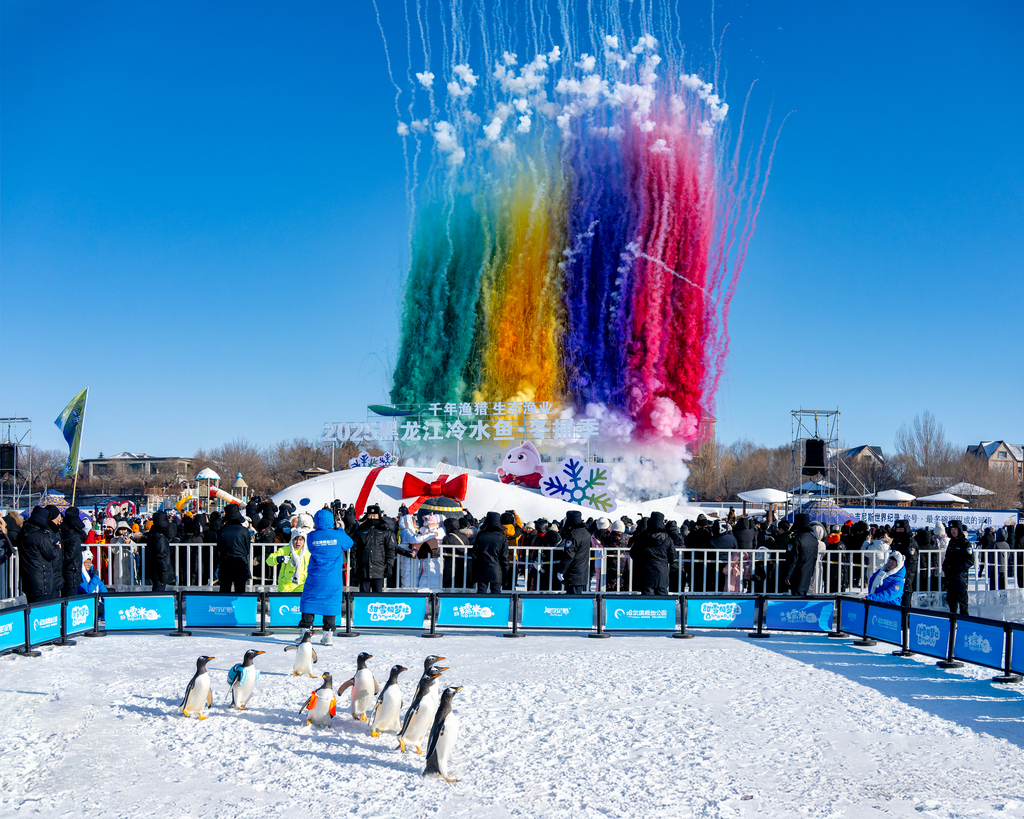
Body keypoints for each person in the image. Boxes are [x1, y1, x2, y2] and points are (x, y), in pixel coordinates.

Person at [299, 507, 353, 645]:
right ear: (332, 521)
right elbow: (349, 544)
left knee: (309, 601)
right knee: (330, 603)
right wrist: (340, 529)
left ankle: (305, 634)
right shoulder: (338, 535)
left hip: (315, 577)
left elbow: (312, 548)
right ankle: (327, 636)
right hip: (333, 578)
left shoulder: (311, 536)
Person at [351, 504, 397, 593]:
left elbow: (390, 549)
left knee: (377, 597)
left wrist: (389, 565)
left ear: (379, 516)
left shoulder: (385, 532)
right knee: (364, 597)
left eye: (374, 516)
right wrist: (354, 565)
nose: (372, 518)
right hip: (364, 569)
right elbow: (354, 550)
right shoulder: (360, 531)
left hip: (379, 570)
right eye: (370, 515)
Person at [628, 511, 675, 595]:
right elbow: (673, 556)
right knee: (663, 603)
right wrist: (664, 562)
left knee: (647, 603)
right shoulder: (667, 539)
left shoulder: (642, 537)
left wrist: (641, 562)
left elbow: (633, 553)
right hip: (661, 574)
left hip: (645, 573)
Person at [216, 504, 252, 594]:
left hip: (226, 562)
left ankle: (224, 607)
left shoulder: (221, 531)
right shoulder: (244, 531)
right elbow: (247, 548)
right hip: (240, 562)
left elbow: (219, 548)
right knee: (240, 590)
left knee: (224, 589)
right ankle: (239, 608)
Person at [942, 520, 974, 616]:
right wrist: (945, 567)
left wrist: (960, 570)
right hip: (950, 578)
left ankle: (964, 624)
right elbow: (947, 558)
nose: (953, 531)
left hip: (960, 578)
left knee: (963, 604)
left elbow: (970, 560)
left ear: (959, 530)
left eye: (955, 529)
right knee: (952, 603)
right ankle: (953, 623)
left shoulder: (965, 543)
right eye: (951, 529)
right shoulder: (952, 542)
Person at [266, 524, 312, 593]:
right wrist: (278, 559)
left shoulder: (308, 552)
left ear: (304, 541)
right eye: (295, 539)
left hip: (302, 586)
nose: (298, 542)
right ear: (292, 539)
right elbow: (269, 561)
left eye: (300, 539)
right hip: (285, 586)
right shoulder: (284, 550)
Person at [472, 511, 508, 593]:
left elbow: (474, 555)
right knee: (496, 596)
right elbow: (504, 558)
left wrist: (473, 574)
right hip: (496, 570)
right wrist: (505, 575)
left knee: (481, 596)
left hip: (482, 569)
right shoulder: (502, 537)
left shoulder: (480, 535)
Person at [558, 510, 592, 594]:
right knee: (577, 598)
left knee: (572, 600)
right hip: (582, 572)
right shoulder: (586, 533)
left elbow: (569, 555)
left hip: (573, 573)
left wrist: (562, 570)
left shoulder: (573, 535)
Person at [783, 513, 817, 597]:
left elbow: (792, 560)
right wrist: (811, 573)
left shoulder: (796, 539)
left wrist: (788, 575)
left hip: (796, 575)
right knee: (803, 597)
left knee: (796, 599)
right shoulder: (813, 539)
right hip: (807, 574)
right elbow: (814, 559)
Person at [888, 520, 918, 607]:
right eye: (898, 529)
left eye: (902, 529)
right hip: (894, 576)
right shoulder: (895, 541)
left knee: (905, 604)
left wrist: (905, 576)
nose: (900, 531)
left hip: (905, 577)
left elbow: (911, 562)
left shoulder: (910, 542)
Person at [145, 510, 176, 592]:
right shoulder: (160, 536)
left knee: (157, 589)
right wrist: (165, 571)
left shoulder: (153, 533)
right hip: (160, 570)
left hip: (154, 568)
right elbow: (161, 555)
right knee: (159, 592)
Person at [60, 507, 87, 598]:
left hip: (66, 571)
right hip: (72, 571)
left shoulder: (62, 531)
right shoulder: (75, 537)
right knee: (70, 598)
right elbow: (70, 556)